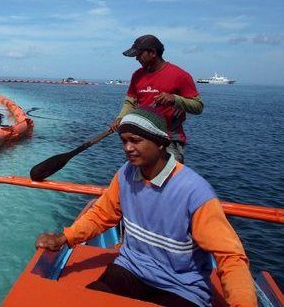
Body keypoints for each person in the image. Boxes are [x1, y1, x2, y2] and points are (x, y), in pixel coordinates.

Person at [37, 107, 256, 306]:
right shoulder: (126, 174)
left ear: (160, 142)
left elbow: (231, 257)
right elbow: (102, 214)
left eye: (135, 140)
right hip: (130, 270)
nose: (128, 148)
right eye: (124, 141)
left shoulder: (195, 192)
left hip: (180, 287)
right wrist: (65, 238)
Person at [110, 34, 203, 162]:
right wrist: (121, 118)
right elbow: (130, 102)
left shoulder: (180, 75)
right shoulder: (137, 75)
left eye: (139, 54)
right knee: (139, 176)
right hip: (142, 137)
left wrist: (175, 99)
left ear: (153, 52)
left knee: (168, 178)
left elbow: (198, 106)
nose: (136, 58)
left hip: (169, 138)